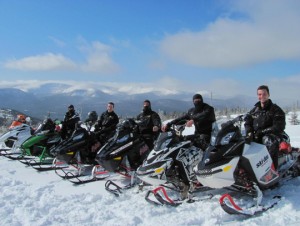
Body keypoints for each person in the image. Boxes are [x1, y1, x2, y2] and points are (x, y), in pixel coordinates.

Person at [244, 85, 286, 169]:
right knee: (243, 143)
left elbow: (279, 126)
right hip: (257, 135)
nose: (262, 96)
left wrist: (263, 132)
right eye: (259, 94)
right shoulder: (255, 110)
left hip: (273, 135)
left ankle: (272, 171)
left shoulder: (275, 109)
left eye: (264, 94)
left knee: (268, 141)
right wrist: (249, 132)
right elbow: (247, 122)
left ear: (268, 95)